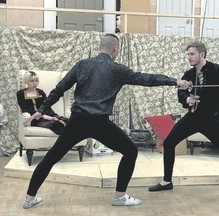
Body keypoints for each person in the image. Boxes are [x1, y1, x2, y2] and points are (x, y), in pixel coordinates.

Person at [22, 33, 190, 209]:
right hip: (99, 123)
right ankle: (120, 196)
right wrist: (175, 81)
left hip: (77, 121)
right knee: (130, 151)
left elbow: (59, 89)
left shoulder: (82, 65)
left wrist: (41, 111)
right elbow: (148, 79)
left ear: (100, 47)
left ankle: (29, 198)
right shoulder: (118, 70)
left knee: (51, 158)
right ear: (116, 49)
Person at [148, 41, 219, 196]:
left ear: (202, 54)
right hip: (193, 118)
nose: (189, 57)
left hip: (211, 120)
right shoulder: (188, 74)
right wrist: (186, 99)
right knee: (169, 142)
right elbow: (181, 93)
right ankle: (167, 181)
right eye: (188, 54)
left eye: (192, 54)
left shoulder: (217, 71)